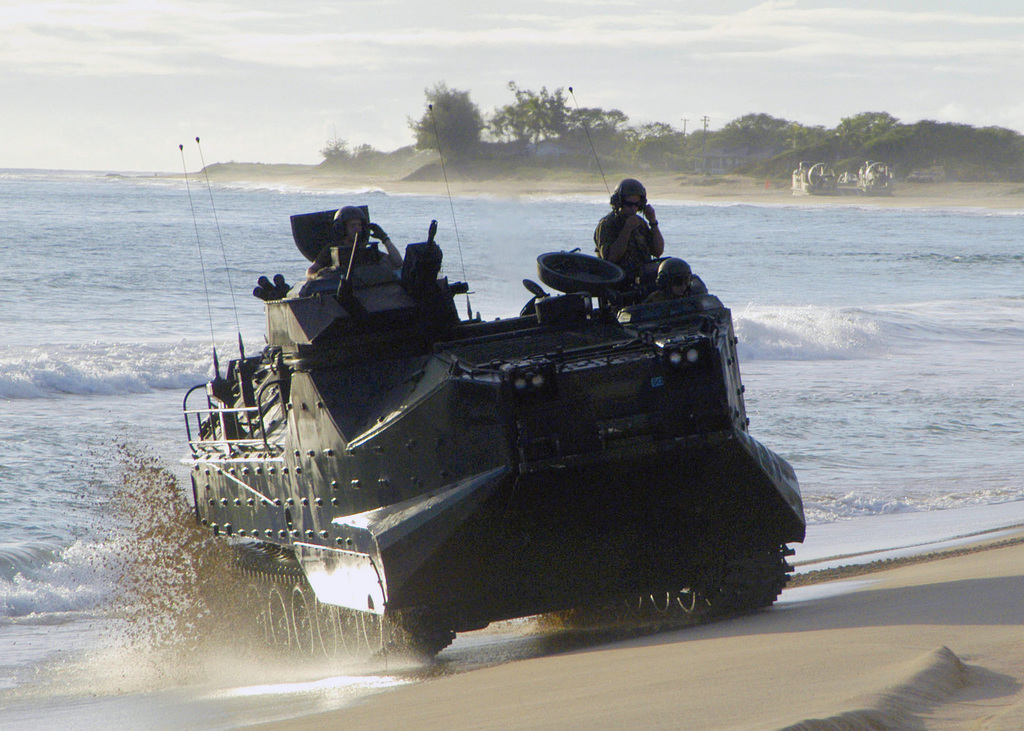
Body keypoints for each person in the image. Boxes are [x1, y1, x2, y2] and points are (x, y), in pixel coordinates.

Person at [594, 178, 665, 280]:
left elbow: (658, 251)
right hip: (618, 281)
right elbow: (610, 258)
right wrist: (627, 229)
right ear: (619, 203)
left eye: (636, 205)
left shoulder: (640, 223)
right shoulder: (607, 224)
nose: (633, 208)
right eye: (629, 204)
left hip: (641, 279)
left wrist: (653, 222)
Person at [306, 205, 403, 280]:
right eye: (352, 225)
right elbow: (310, 272)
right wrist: (317, 275)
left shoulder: (365, 249)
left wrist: (384, 238)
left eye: (359, 225)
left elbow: (398, 263)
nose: (357, 229)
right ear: (342, 229)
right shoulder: (332, 249)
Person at [643, 258, 707, 303]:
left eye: (686, 281)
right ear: (665, 283)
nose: (683, 287)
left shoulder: (693, 297)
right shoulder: (654, 302)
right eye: (678, 282)